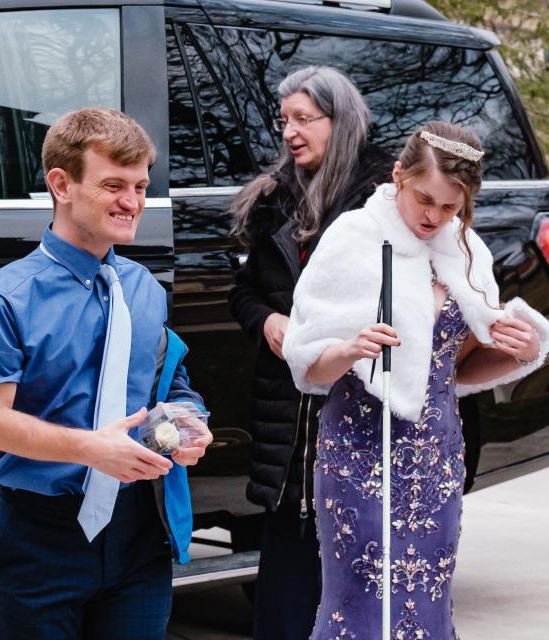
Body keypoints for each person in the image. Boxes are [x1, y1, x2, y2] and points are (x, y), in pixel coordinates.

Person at [282, 121, 549, 639]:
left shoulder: (466, 252)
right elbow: (307, 365)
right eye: (424, 199)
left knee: (426, 596)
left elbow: (462, 368)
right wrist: (347, 349)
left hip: (436, 456)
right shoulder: (353, 239)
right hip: (360, 451)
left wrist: (523, 353)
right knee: (359, 602)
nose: (433, 216)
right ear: (398, 176)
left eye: (449, 207)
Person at [0, 107, 213, 639]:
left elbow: (170, 382)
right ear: (61, 184)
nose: (132, 201)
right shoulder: (4, 300)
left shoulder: (142, 288)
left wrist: (188, 421)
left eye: (139, 185)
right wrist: (91, 449)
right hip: (43, 534)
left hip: (140, 530)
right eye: (113, 184)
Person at [227, 65, 394, 639]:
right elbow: (244, 292)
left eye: (305, 119)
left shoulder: (383, 199)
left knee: (348, 561)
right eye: (285, 122)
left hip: (349, 399)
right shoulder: (277, 196)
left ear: (339, 121)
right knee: (287, 561)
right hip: (285, 410)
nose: (291, 132)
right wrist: (268, 321)